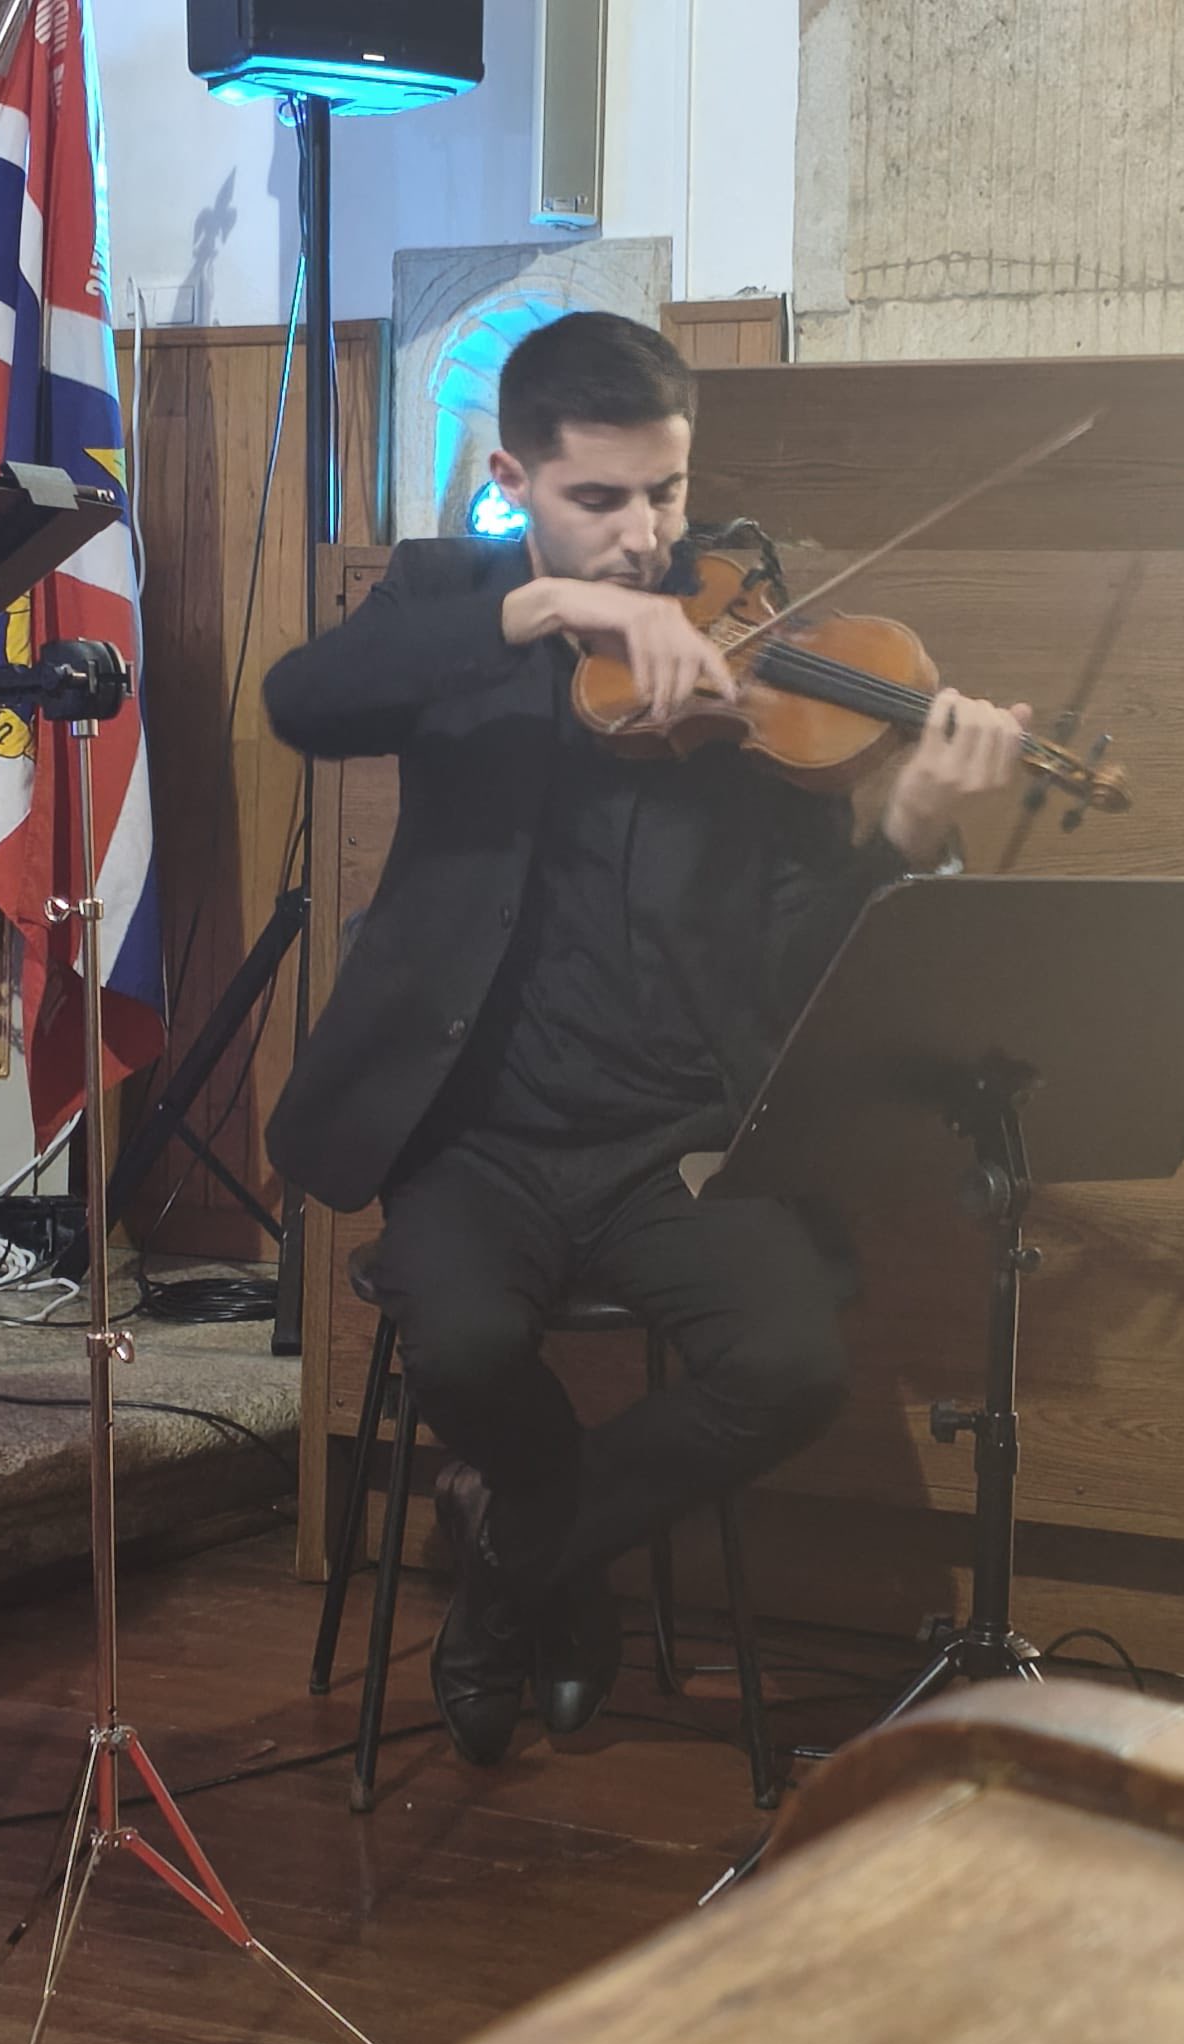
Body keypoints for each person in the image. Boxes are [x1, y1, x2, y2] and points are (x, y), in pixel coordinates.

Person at [263, 312, 1028, 1767]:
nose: (644, 538)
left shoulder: (758, 659)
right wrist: (543, 609)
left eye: (665, 494)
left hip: (673, 1141)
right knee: (463, 1348)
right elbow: (302, 700)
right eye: (598, 500)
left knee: (791, 1365)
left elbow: (802, 962)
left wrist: (907, 831)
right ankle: (558, 1565)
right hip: (475, 1133)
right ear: (515, 480)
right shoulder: (452, 600)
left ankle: (515, 1553)